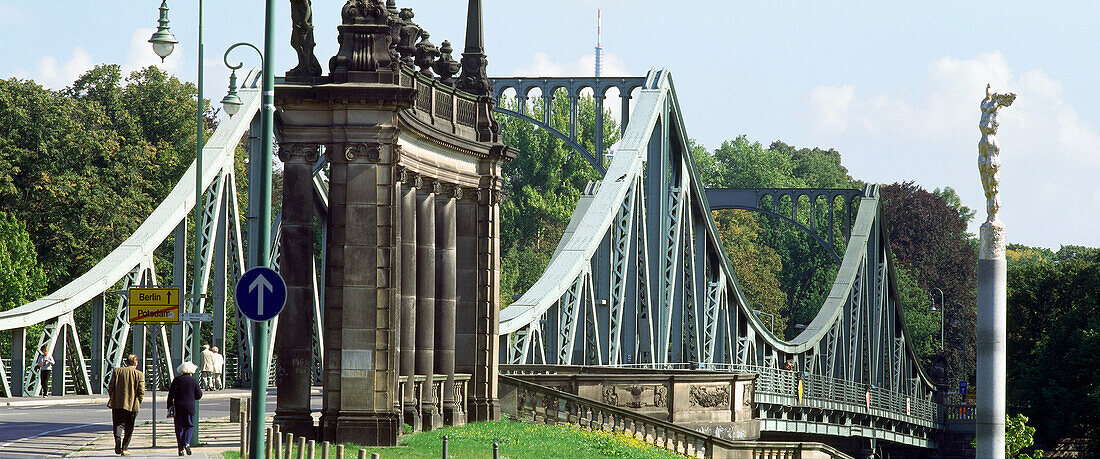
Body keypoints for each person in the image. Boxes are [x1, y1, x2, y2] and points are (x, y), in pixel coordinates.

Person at [107, 354, 144, 456]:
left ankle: (118, 440)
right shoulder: (139, 374)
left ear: (126, 362)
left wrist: (113, 397)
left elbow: (111, 387)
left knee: (118, 424)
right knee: (129, 427)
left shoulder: (117, 371)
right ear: (135, 363)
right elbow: (141, 391)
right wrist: (139, 401)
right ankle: (124, 448)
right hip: (132, 405)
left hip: (117, 404)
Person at [168, 361, 202, 456]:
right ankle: (187, 443)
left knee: (179, 428)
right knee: (189, 426)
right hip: (189, 406)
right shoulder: (194, 381)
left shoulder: (176, 380)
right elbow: (198, 395)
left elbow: (170, 395)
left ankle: (180, 449)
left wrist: (169, 406)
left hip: (178, 406)